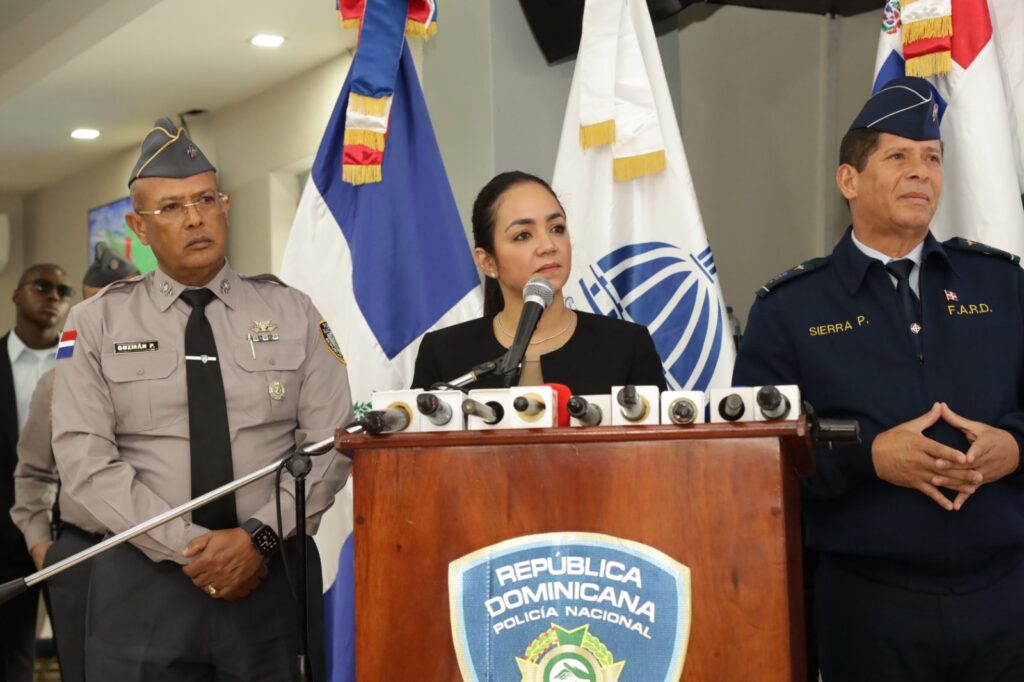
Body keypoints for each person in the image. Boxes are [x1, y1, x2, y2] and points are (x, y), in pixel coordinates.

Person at [734, 77, 1024, 681]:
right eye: (898, 157)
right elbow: (756, 459)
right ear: (849, 180)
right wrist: (870, 458)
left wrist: (1016, 447)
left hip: (1005, 596)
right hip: (869, 606)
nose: (921, 173)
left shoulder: (1001, 285)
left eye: (932, 158)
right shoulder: (792, 309)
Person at [51, 118, 352, 681]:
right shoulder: (95, 323)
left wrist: (258, 538)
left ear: (225, 206)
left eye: (206, 199)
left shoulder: (292, 311)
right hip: (144, 580)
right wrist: (192, 547)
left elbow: (330, 442)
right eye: (171, 207)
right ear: (139, 227)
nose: (194, 218)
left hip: (272, 574)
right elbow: (84, 460)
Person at [10, 243, 140, 682]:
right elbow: (33, 472)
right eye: (93, 304)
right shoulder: (56, 382)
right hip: (78, 556)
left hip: (157, 557)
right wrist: (41, 545)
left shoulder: (180, 372)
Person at [412, 170, 666, 394]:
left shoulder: (626, 346)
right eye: (523, 235)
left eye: (557, 228)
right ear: (488, 262)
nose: (548, 246)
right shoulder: (443, 353)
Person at [1, 262, 73, 681]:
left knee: (83, 655)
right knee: (10, 659)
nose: (54, 296)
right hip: (3, 541)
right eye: (43, 286)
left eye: (64, 291)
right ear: (16, 293)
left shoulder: (85, 360)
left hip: (74, 538)